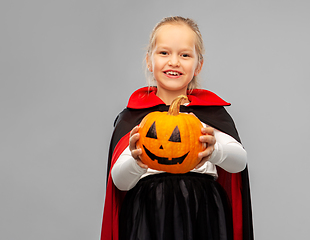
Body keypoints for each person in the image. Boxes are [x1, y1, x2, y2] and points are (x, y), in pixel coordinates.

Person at [101, 16, 254, 240]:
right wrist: (136, 160)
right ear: (149, 61)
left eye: (184, 55)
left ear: (198, 65)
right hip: (148, 215)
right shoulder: (135, 119)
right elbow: (119, 182)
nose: (174, 62)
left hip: (203, 212)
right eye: (164, 53)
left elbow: (239, 162)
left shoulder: (211, 115)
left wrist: (215, 150)